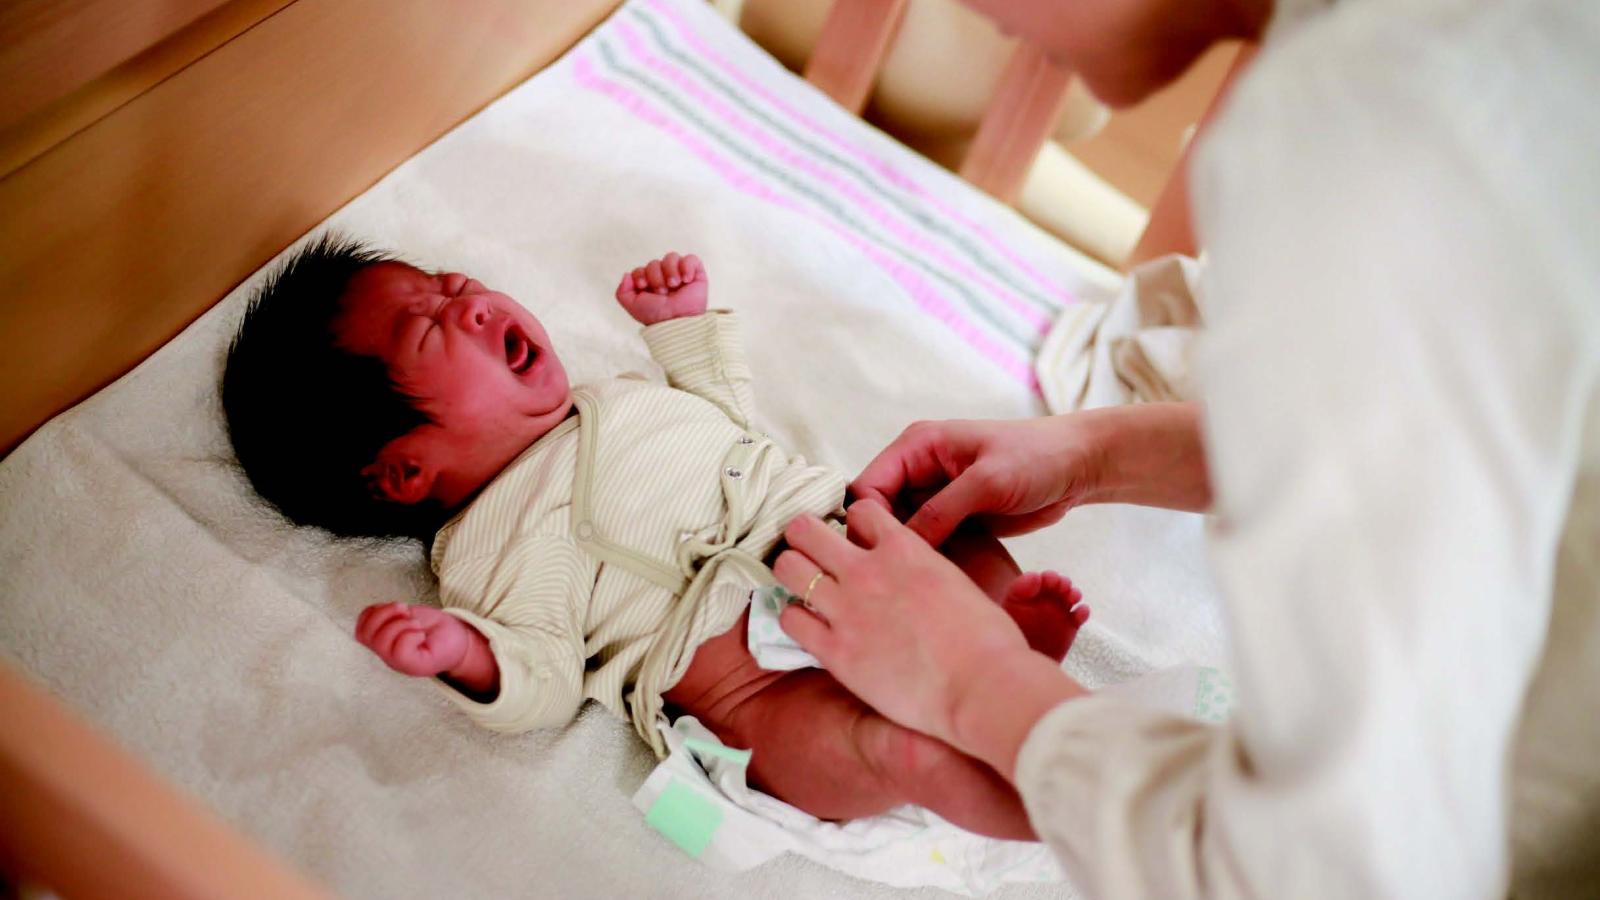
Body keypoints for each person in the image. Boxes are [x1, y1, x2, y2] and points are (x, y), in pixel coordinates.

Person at [771, 0, 1600, 896]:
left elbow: (1324, 874)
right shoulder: (1487, 57)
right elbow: (1449, 432)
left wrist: (977, 684)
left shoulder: (1366, 144)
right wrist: (1101, 452)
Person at [220, 235, 1092, 839]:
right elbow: (544, 674)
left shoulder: (617, 395)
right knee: (775, 737)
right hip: (732, 661)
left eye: (454, 284)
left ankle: (999, 624)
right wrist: (469, 655)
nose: (475, 304)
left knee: (925, 516)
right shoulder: (487, 547)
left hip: (822, 534)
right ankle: (902, 757)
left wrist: (681, 330)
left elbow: (725, 418)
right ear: (405, 471)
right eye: (431, 326)